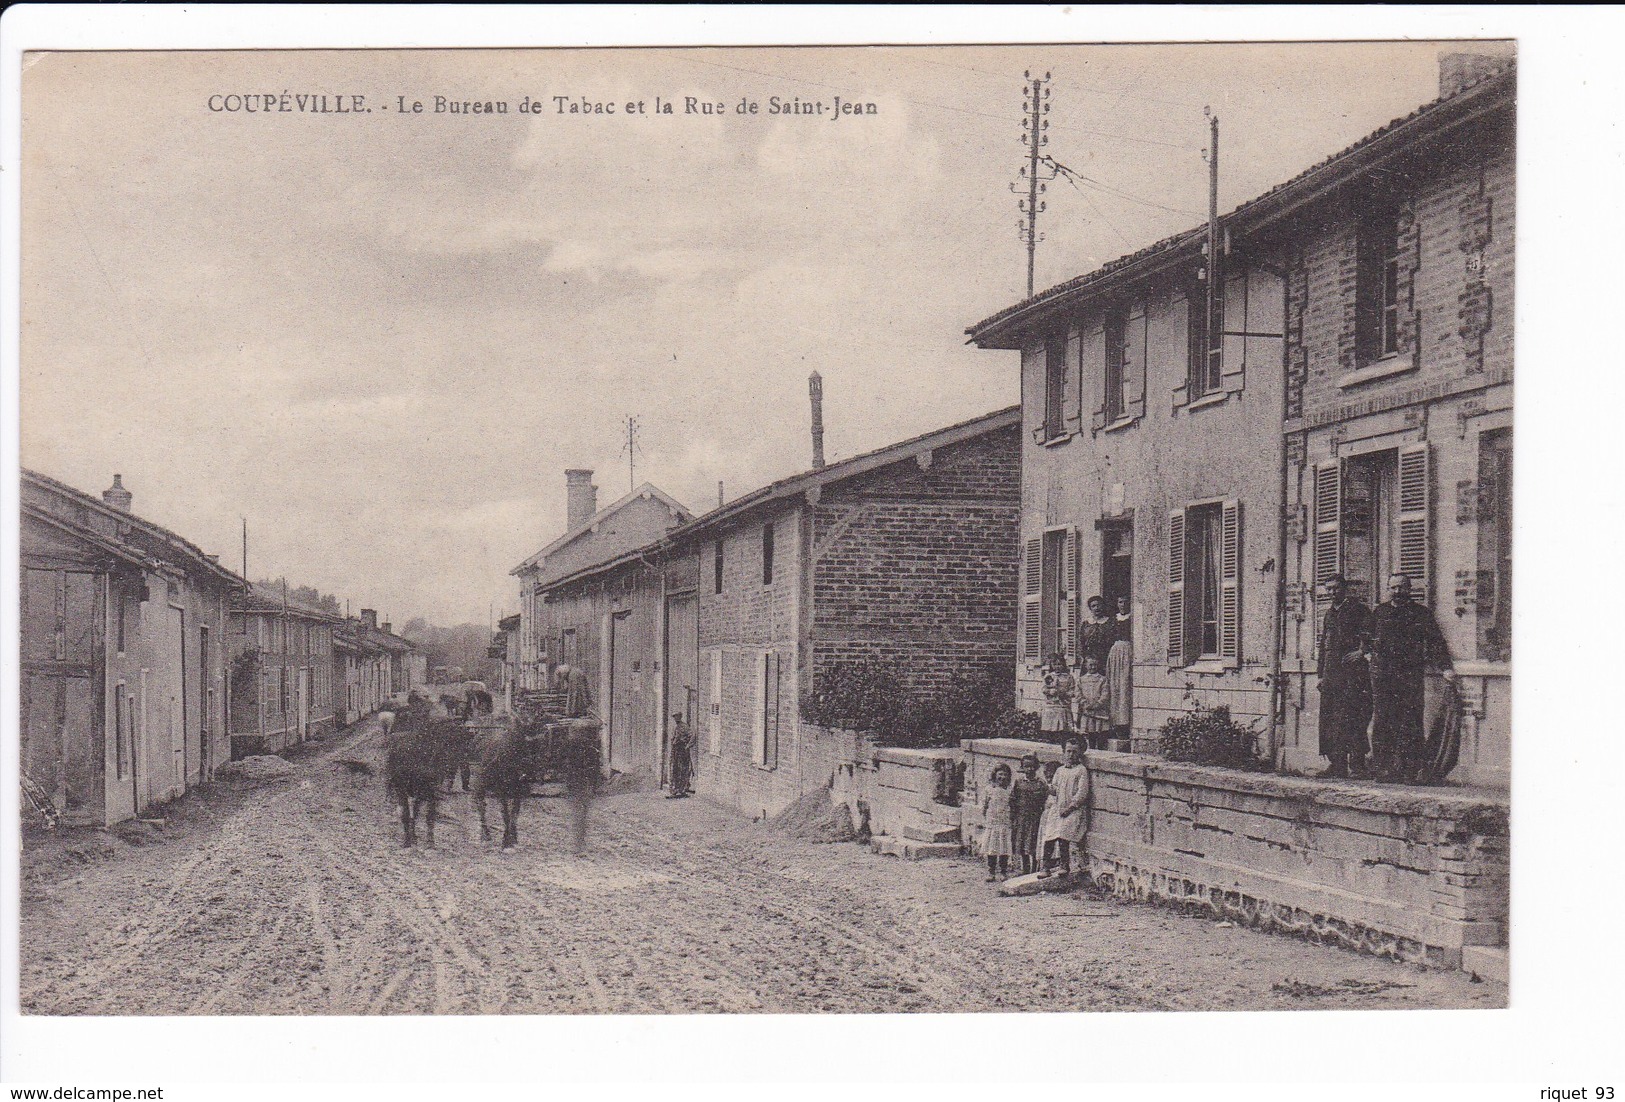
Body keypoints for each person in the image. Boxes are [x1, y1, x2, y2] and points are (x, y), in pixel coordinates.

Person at [1368, 573, 1455, 784]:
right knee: (1383, 721)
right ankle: (1384, 770)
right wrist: (1369, 655)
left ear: (1410, 589)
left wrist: (1445, 668)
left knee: (1411, 722)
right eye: (1394, 588)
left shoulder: (1420, 614)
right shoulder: (1380, 612)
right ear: (1388, 589)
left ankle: (1410, 771)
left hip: (1409, 676)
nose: (1398, 592)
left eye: (1402, 588)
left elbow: (1435, 641)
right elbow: (1367, 637)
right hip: (1383, 677)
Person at [1315, 574, 1373, 778]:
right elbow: (1324, 646)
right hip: (1331, 674)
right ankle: (1337, 763)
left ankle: (1357, 765)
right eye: (1328, 589)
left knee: (1354, 717)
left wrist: (1362, 651)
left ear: (1345, 589)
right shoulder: (1329, 614)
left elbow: (1371, 634)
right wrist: (1320, 674)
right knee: (1331, 719)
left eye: (1336, 588)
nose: (1332, 593)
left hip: (1353, 674)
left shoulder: (1359, 610)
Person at [1048, 739, 1090, 878]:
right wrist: (1049, 788)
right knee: (1049, 834)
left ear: (1080, 753)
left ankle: (1064, 865)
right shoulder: (1060, 770)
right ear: (1064, 752)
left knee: (1063, 835)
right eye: (1068, 751)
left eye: (1074, 752)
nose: (1071, 755)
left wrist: (1069, 808)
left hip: (1073, 810)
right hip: (1059, 808)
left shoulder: (1081, 770)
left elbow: (1081, 793)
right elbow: (1054, 788)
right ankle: (1045, 865)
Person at [1009, 754, 1051, 875]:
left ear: (1037, 767)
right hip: (1022, 818)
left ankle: (1034, 869)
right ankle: (1025, 869)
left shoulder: (1041, 783)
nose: (1030, 769)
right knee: (1022, 844)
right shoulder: (1018, 782)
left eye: (1032, 766)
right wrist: (1014, 815)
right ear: (1022, 767)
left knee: (1033, 844)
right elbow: (1013, 799)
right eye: (1027, 766)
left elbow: (1045, 799)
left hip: (1035, 818)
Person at [1105, 600, 1134, 748]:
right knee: (1114, 687)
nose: (1123, 605)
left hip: (1127, 651)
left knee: (1124, 687)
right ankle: (1115, 724)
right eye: (1120, 602)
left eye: (1125, 602)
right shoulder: (1113, 619)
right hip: (1115, 652)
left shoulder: (1132, 618)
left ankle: (1124, 724)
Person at [980, 763, 1014, 882]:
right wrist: (987, 817)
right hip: (993, 822)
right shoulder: (989, 789)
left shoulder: (1010, 790)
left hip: (1005, 822)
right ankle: (991, 871)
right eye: (1000, 774)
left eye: (1005, 775)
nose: (1002, 777)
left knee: (1004, 848)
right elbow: (984, 805)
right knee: (992, 848)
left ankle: (1003, 871)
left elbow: (1012, 805)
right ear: (995, 775)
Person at [1074, 655, 1111, 748]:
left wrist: (1098, 703)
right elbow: (1078, 694)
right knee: (1090, 735)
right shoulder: (1081, 680)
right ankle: (1091, 749)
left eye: (1095, 665)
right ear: (1086, 665)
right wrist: (1084, 703)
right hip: (1087, 711)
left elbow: (1105, 693)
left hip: (1099, 711)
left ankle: (1101, 751)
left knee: (1101, 734)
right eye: (1090, 665)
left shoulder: (1102, 679)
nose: (1093, 667)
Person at [1036, 760, 1063, 874]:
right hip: (1046, 818)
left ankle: (1055, 863)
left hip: (1057, 818)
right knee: (1046, 839)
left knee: (1056, 839)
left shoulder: (1059, 789)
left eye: (1051, 776)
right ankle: (1044, 865)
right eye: (1047, 776)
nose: (1049, 779)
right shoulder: (1046, 787)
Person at [1040, 652, 1075, 736]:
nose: (1057, 667)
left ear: (1063, 664)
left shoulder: (1068, 677)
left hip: (1063, 706)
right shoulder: (1048, 676)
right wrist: (1049, 691)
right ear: (1051, 665)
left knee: (1063, 730)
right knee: (1051, 730)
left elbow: (1073, 690)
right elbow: (1043, 688)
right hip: (1052, 706)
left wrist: (1065, 694)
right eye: (1054, 664)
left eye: (1059, 664)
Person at [1079, 596, 1115, 672]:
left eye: (1099, 605)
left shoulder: (1110, 622)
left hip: (1105, 656)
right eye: (1093, 606)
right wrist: (1084, 656)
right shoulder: (1086, 624)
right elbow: (1081, 641)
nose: (1096, 608)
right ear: (1090, 608)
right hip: (1089, 657)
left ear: (1103, 606)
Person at [667, 713, 695, 798]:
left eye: (677, 716)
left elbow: (692, 736)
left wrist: (688, 746)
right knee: (674, 769)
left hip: (682, 750)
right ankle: (674, 790)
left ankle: (682, 789)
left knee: (683, 770)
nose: (676, 718)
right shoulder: (675, 726)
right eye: (674, 717)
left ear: (680, 717)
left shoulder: (684, 727)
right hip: (675, 750)